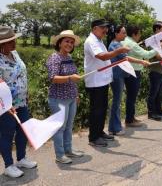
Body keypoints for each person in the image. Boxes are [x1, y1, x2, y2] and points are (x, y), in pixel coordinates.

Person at [84, 19, 130, 147]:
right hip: (95, 81)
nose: (106, 30)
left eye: (106, 28)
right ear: (94, 28)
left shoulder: (99, 40)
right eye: (103, 27)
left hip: (102, 80)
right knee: (96, 110)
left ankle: (99, 132)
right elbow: (102, 56)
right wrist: (119, 51)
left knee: (103, 108)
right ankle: (93, 137)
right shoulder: (91, 41)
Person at [0, 26, 37, 178]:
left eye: (14, 39)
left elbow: (22, 73)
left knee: (23, 130)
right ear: (1, 44)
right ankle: (9, 165)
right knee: (7, 134)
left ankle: (21, 158)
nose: (14, 43)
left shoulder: (15, 53)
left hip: (21, 101)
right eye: (10, 41)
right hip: (6, 105)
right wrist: (7, 104)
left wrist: (25, 92)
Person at [46, 30, 84, 164]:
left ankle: (68, 150)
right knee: (60, 128)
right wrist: (69, 78)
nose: (69, 44)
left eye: (72, 42)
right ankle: (60, 155)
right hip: (58, 98)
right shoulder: (54, 58)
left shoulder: (69, 58)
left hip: (71, 98)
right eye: (67, 41)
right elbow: (53, 78)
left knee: (69, 126)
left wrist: (76, 94)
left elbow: (73, 78)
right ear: (59, 42)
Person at [107, 25, 150, 136]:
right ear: (116, 34)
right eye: (123, 33)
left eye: (126, 33)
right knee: (117, 102)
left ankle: (113, 127)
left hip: (119, 76)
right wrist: (142, 62)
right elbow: (126, 58)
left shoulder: (118, 44)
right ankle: (115, 128)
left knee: (118, 102)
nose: (125, 35)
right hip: (117, 76)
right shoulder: (116, 45)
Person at [122, 25, 159, 127]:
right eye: (139, 34)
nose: (140, 36)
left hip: (128, 71)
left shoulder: (125, 41)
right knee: (132, 96)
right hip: (133, 72)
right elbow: (146, 54)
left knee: (131, 96)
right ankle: (129, 120)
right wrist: (157, 48)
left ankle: (131, 117)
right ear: (134, 34)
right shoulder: (132, 44)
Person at [146, 21, 162, 121]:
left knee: (159, 92)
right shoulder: (152, 41)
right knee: (153, 92)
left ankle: (159, 110)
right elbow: (158, 56)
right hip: (155, 70)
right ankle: (151, 113)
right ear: (157, 30)